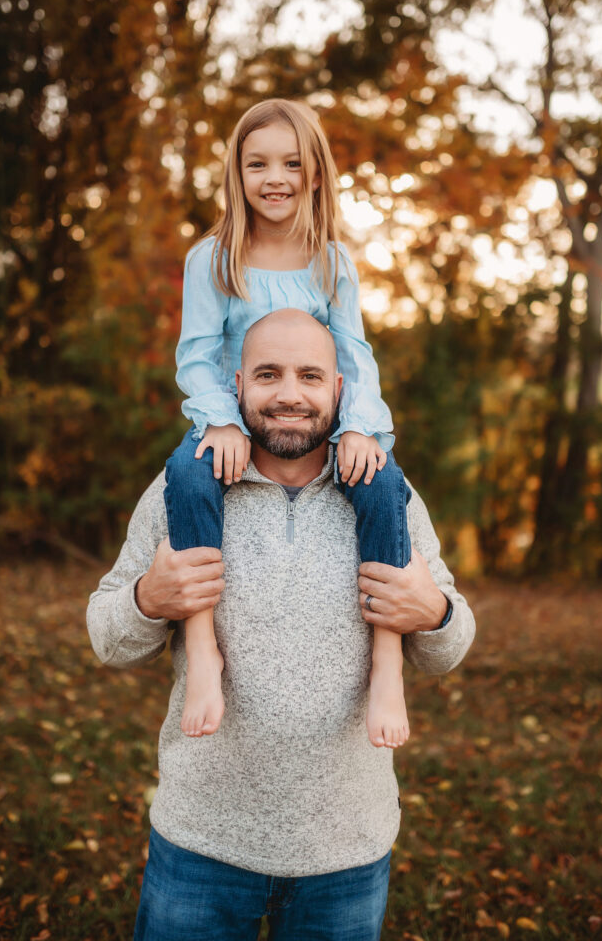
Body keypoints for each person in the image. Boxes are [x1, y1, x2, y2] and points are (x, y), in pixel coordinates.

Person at [87, 308, 476, 941]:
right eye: (268, 374)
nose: (289, 394)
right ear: (236, 385)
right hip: (201, 844)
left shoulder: (387, 492)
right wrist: (146, 599)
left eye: (310, 376)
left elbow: (448, 649)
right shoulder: (180, 488)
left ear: (340, 391)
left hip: (346, 852)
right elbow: (106, 635)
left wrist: (433, 614)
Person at [165, 97, 413, 748]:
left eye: (289, 163)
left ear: (314, 175)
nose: (273, 177)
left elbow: (353, 357)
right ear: (236, 174)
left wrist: (359, 428)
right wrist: (219, 423)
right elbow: (194, 355)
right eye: (256, 163)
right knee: (187, 486)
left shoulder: (331, 263)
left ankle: (386, 660)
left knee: (385, 490)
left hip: (318, 428)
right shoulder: (212, 258)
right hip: (232, 421)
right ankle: (203, 650)